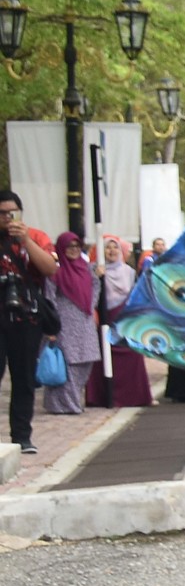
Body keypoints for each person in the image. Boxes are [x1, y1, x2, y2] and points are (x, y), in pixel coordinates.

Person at [0, 189, 58, 453]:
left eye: (12, 213)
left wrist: (25, 241)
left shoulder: (35, 236)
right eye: (2, 213)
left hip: (26, 315)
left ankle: (22, 437)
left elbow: (50, 269)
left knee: (23, 378)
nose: (7, 218)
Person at [86, 235, 155, 408]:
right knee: (102, 358)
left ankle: (136, 397)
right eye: (107, 248)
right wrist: (96, 277)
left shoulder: (129, 272)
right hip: (103, 320)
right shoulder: (94, 270)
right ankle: (102, 397)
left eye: (115, 247)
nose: (112, 251)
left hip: (125, 322)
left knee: (133, 357)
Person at [41, 233, 99, 415]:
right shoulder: (55, 273)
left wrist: (90, 306)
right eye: (69, 246)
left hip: (85, 321)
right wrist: (51, 327)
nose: (73, 250)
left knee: (85, 362)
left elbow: (95, 290)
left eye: (76, 246)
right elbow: (49, 299)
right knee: (65, 365)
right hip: (63, 324)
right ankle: (64, 405)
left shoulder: (87, 270)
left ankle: (69, 402)